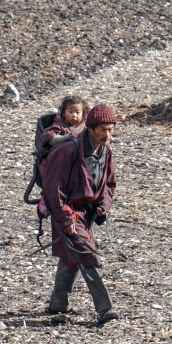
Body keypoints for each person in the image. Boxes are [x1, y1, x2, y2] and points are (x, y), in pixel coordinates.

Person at [40, 104, 119, 323]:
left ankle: (58, 303)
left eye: (110, 129)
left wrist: (103, 206)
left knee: (71, 256)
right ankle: (105, 309)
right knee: (88, 255)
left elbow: (109, 184)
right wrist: (65, 217)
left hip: (87, 213)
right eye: (103, 129)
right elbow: (53, 187)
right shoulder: (68, 150)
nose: (107, 134)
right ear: (91, 128)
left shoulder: (106, 152)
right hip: (68, 211)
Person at [32, 95, 88, 217]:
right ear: (63, 113)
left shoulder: (84, 129)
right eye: (70, 112)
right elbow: (50, 138)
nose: (74, 115)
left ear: (83, 114)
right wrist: (65, 138)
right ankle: (45, 199)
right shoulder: (59, 126)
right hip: (57, 163)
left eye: (77, 112)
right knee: (52, 176)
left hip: (77, 164)